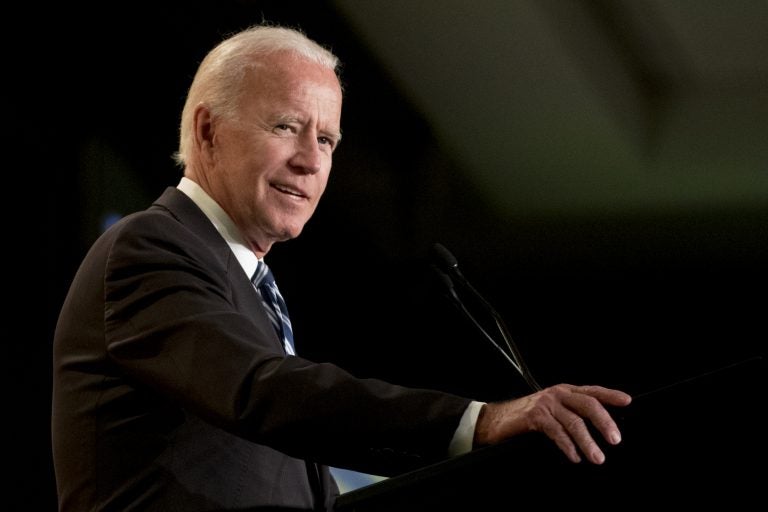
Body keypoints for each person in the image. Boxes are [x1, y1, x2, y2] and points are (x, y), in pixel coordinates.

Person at [51, 23, 632, 511]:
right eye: (285, 127)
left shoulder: (249, 288)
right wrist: (475, 423)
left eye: (327, 140)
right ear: (208, 130)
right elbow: (263, 392)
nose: (310, 161)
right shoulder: (149, 249)